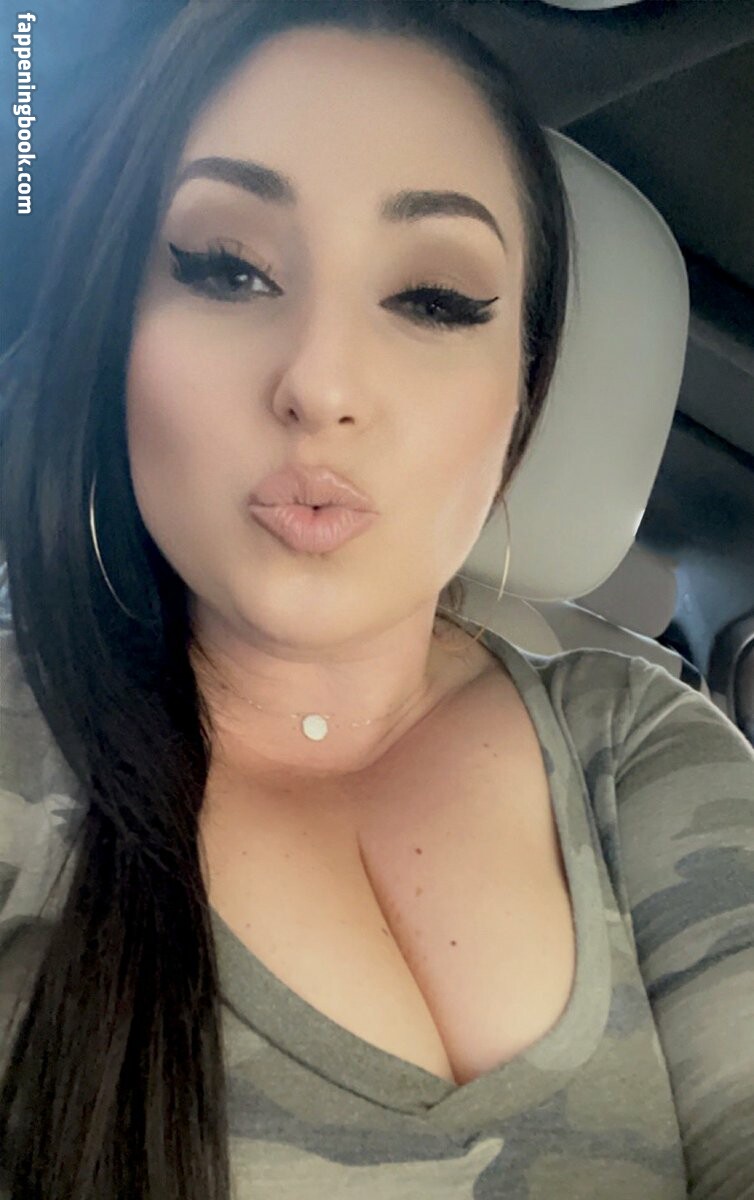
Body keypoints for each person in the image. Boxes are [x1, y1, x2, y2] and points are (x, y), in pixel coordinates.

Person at [0, 3, 752, 1198]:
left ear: (520, 396)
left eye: (435, 299)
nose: (321, 382)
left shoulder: (643, 739)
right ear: (116, 335)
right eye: (225, 267)